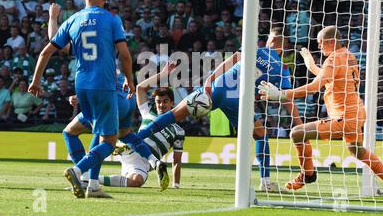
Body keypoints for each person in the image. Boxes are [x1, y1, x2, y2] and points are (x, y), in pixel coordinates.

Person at [123, 28, 302, 191]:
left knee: (173, 115)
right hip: (237, 101)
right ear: (284, 45)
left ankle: (132, 140)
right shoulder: (283, 70)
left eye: (270, 38)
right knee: (260, 134)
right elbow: (287, 97)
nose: (268, 42)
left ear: (275, 40)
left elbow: (232, 60)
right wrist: (298, 123)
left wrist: (210, 81)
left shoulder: (257, 49)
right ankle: (265, 181)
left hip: (217, 87)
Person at [46, 3, 170, 193]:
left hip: (108, 94)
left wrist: (53, 18)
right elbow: (122, 58)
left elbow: (55, 43)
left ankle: (84, 176)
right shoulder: (108, 36)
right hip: (124, 94)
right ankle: (155, 161)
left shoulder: (82, 40)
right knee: (126, 133)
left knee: (78, 133)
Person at [28, 0, 135, 199]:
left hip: (82, 85)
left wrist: (35, 81)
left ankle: (92, 185)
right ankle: (78, 171)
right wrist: (130, 80)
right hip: (104, 85)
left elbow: (46, 52)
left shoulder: (73, 20)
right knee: (109, 141)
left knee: (79, 131)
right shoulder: (112, 19)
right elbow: (124, 55)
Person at [258, 26, 383, 190]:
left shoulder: (333, 59)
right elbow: (329, 77)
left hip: (344, 117)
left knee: (297, 133)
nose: (318, 46)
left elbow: (314, 87)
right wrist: (311, 65)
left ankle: (307, 174)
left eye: (320, 43)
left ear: (331, 41)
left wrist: (282, 94)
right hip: (356, 113)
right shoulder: (347, 55)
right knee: (357, 151)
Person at [100, 62, 185, 189]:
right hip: (128, 149)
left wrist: (176, 185)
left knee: (136, 182)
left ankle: (93, 180)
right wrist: (163, 74)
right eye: (158, 102)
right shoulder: (148, 112)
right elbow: (140, 88)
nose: (161, 105)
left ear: (172, 103)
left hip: (143, 163)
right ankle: (86, 179)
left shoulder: (179, 131)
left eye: (165, 101)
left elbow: (176, 160)